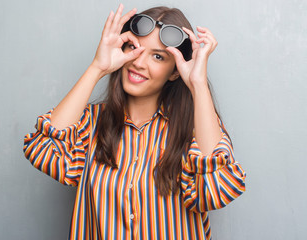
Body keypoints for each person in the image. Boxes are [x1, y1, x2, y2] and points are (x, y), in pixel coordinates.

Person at [24, 4, 246, 240]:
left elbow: (215, 192)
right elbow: (42, 150)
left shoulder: (196, 131)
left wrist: (197, 84)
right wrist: (98, 67)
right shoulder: (90, 124)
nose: (139, 63)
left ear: (174, 72)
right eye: (135, 48)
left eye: (158, 57)